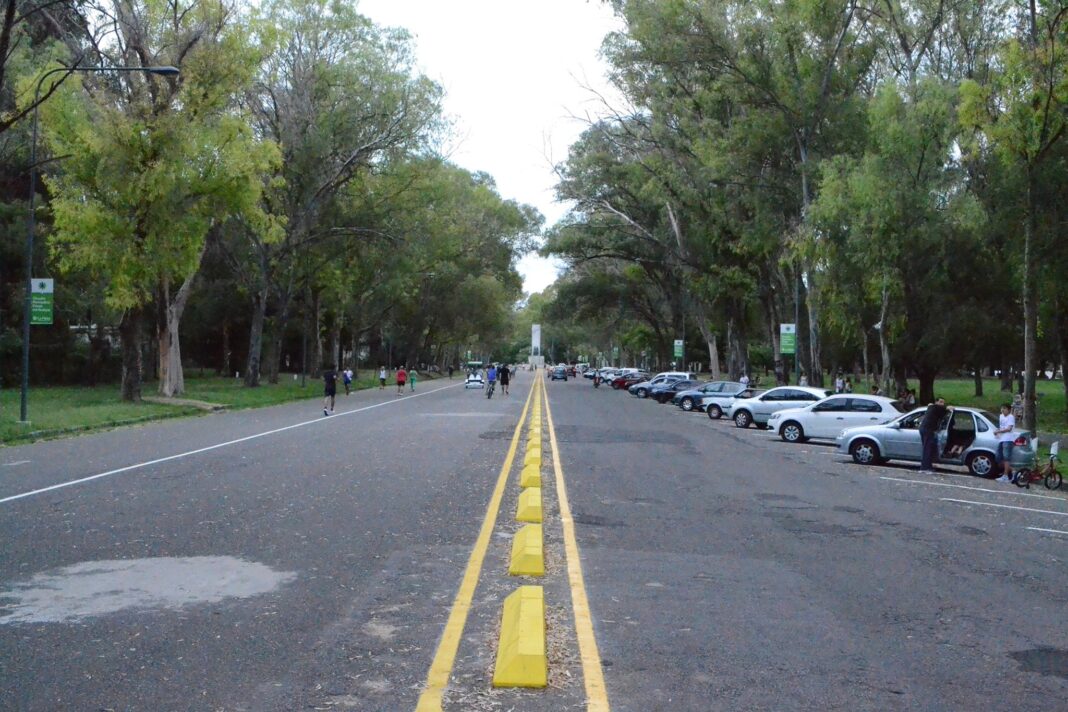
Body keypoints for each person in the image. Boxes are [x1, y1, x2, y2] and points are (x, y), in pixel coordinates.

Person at [919, 397, 950, 473]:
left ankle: (927, 466)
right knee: (927, 449)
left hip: (926, 430)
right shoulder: (935, 408)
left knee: (928, 449)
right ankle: (924, 468)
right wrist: (948, 408)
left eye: (943, 402)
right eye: (941, 402)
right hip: (927, 430)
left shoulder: (932, 407)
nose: (942, 404)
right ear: (936, 402)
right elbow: (943, 409)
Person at [994, 403, 1016, 482]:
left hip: (1008, 439)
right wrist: (997, 431)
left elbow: (1009, 429)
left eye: (1004, 408)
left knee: (1006, 457)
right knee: (998, 457)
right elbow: (1001, 427)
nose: (1002, 410)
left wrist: (999, 431)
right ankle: (1013, 471)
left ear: (1009, 410)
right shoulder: (1001, 416)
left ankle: (1005, 476)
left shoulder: (1011, 417)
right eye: (1002, 408)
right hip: (1001, 439)